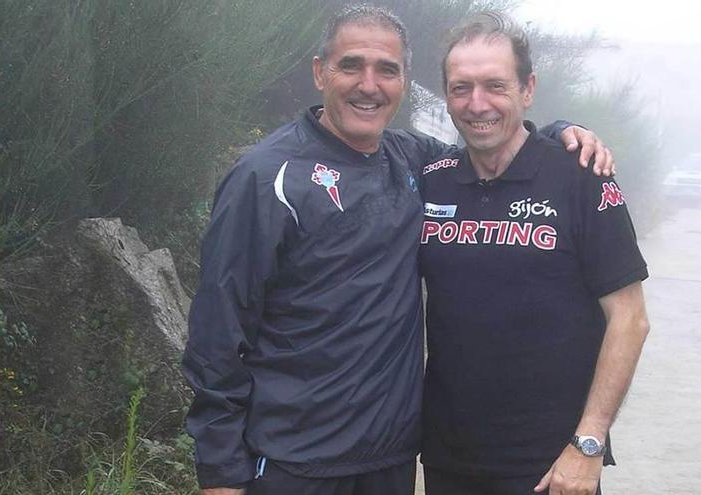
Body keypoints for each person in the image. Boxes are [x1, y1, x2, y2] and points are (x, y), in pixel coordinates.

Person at [182, 5, 614, 495]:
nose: (369, 84)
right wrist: (219, 471)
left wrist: (557, 133)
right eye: (351, 65)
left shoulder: (415, 160)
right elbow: (218, 331)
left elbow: (493, 143)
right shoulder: (266, 177)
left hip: (392, 459)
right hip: (292, 462)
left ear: (404, 81)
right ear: (320, 72)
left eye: (386, 70)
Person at [419, 12, 651, 495]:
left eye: (495, 85)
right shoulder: (430, 178)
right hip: (448, 458)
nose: (477, 103)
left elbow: (629, 319)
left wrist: (588, 443)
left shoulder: (581, 177)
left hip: (553, 467)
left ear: (528, 89)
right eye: (461, 88)